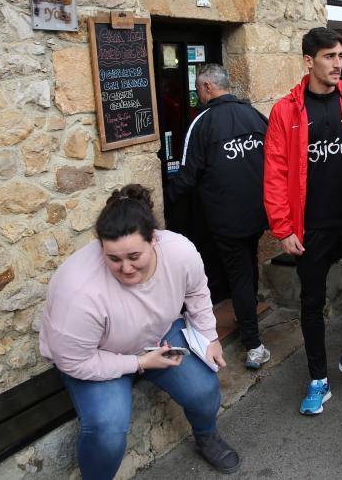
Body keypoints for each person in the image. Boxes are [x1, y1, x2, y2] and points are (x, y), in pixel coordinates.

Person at [39, 184, 239, 478]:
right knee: (107, 430)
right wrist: (138, 364)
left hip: (158, 335)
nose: (126, 268)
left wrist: (209, 336)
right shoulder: (77, 290)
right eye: (114, 259)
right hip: (99, 354)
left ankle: (206, 436)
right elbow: (73, 361)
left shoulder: (179, 250)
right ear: (100, 247)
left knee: (204, 390)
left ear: (154, 240)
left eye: (134, 256)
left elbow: (196, 291)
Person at [264, 27, 342, 415]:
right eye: (330, 57)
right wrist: (283, 227)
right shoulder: (287, 110)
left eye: (341, 56)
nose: (340, 64)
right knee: (312, 301)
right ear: (309, 61)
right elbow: (275, 172)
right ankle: (318, 377)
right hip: (312, 225)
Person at [166, 63, 270, 370]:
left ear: (209, 88)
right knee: (247, 265)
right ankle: (246, 311)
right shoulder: (255, 116)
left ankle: (253, 344)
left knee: (238, 273)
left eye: (198, 90)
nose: (198, 96)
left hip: (227, 218)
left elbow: (186, 175)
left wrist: (163, 203)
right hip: (258, 212)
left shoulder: (203, 122)